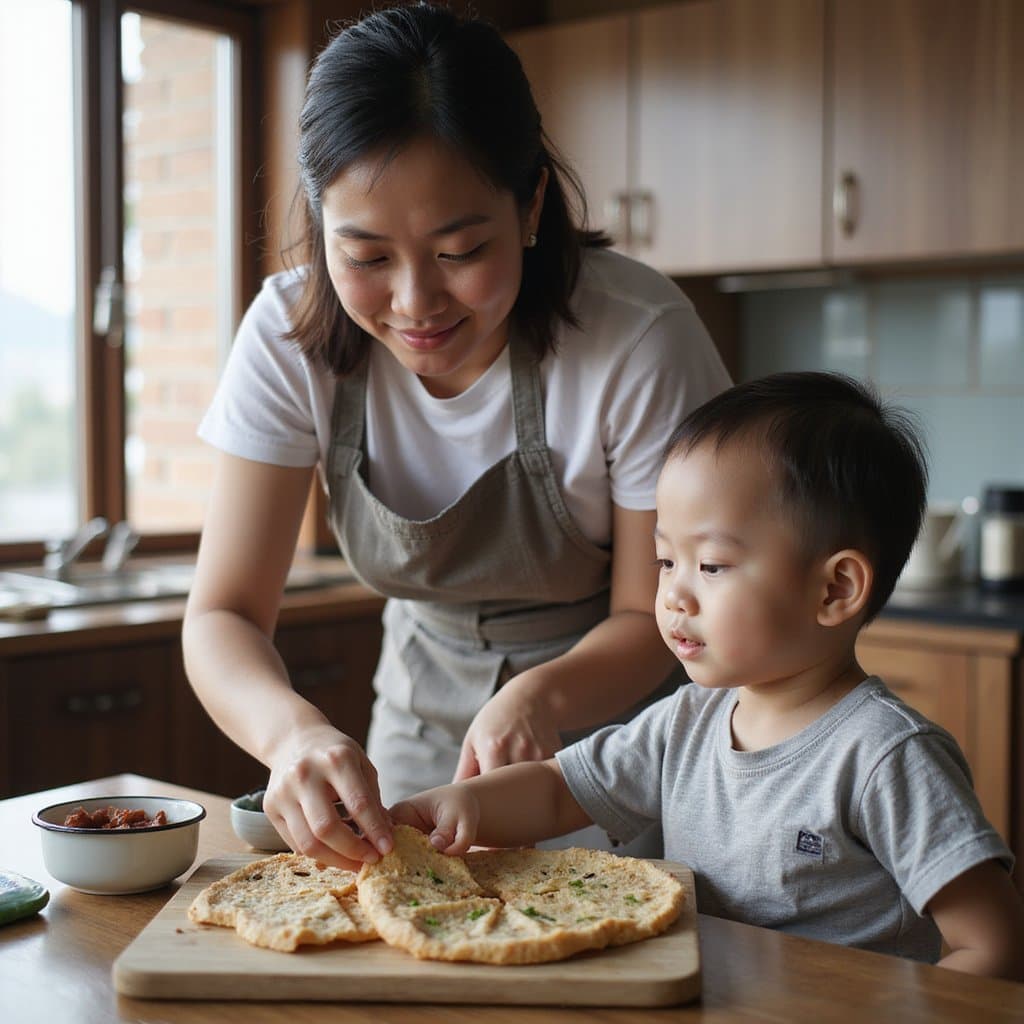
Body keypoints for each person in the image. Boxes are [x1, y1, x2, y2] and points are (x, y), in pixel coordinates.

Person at [182, 3, 730, 870]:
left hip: (619, 746)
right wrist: (292, 736)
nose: (414, 304)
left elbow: (647, 610)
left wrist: (542, 697)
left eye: (460, 249)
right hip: (413, 723)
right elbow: (222, 614)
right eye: (364, 257)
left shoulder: (636, 337)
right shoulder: (288, 336)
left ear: (531, 205)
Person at [390, 372, 1024, 979]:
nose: (673, 596)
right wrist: (455, 805)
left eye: (712, 565)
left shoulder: (887, 757)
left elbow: (992, 947)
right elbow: (559, 791)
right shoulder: (687, 720)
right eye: (667, 559)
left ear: (835, 588)